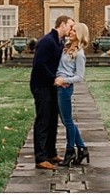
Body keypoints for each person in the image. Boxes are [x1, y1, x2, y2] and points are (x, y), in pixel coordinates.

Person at [30, 15, 74, 170]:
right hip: (41, 86)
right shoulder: (46, 41)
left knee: (52, 120)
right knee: (43, 120)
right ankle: (40, 158)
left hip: (51, 86)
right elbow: (39, 65)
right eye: (70, 26)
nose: (71, 29)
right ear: (62, 25)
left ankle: (51, 153)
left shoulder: (59, 42)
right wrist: (54, 79)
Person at [54, 22, 90, 167]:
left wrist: (64, 80)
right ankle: (82, 148)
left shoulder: (80, 54)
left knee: (67, 121)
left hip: (65, 88)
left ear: (80, 34)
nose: (71, 32)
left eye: (74, 31)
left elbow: (80, 77)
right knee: (65, 120)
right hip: (58, 86)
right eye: (71, 29)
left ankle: (70, 151)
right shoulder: (66, 47)